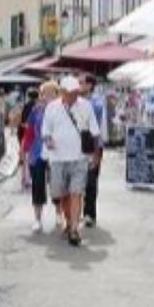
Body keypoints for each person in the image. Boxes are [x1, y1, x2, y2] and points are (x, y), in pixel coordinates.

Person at [41, 75, 100, 246]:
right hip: (58, 159)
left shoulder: (86, 106)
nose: (74, 96)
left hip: (79, 158)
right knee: (62, 194)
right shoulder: (52, 108)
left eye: (76, 93)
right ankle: (68, 221)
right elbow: (45, 130)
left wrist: (96, 155)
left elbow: (95, 132)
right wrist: (48, 140)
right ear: (62, 92)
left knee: (77, 192)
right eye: (70, 93)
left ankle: (74, 229)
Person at [23, 83, 57, 230]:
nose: (46, 97)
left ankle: (60, 215)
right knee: (37, 185)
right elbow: (29, 132)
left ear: (57, 95)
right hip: (37, 152)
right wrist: (24, 150)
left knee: (58, 184)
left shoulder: (61, 110)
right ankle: (37, 218)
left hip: (56, 152)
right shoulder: (36, 111)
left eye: (50, 94)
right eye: (44, 93)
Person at [82, 77, 107, 228]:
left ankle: (89, 213)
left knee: (91, 181)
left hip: (93, 146)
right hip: (77, 147)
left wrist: (99, 150)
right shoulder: (74, 102)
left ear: (90, 85)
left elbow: (102, 130)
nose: (79, 85)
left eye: (82, 82)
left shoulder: (97, 104)